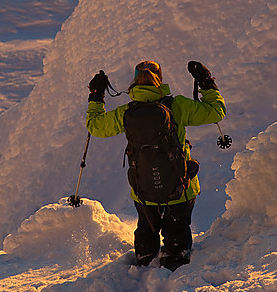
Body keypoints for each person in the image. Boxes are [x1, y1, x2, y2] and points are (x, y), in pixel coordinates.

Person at [86, 60, 226, 270]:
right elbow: (217, 111)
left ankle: (143, 263)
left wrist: (96, 96)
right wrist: (206, 82)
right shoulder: (177, 105)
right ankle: (174, 270)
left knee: (146, 229)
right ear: (159, 80)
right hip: (181, 186)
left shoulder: (126, 112)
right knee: (177, 231)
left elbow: (95, 126)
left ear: (135, 81)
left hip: (143, 187)